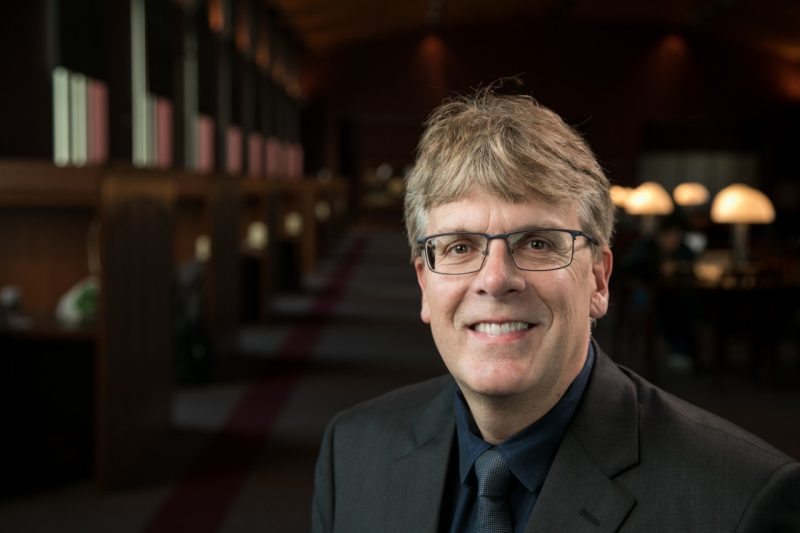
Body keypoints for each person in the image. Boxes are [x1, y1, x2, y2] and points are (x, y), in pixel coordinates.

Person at [311, 85, 800, 532]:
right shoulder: (352, 452)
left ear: (599, 279)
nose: (496, 279)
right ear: (425, 283)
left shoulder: (741, 502)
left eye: (539, 243)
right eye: (460, 247)